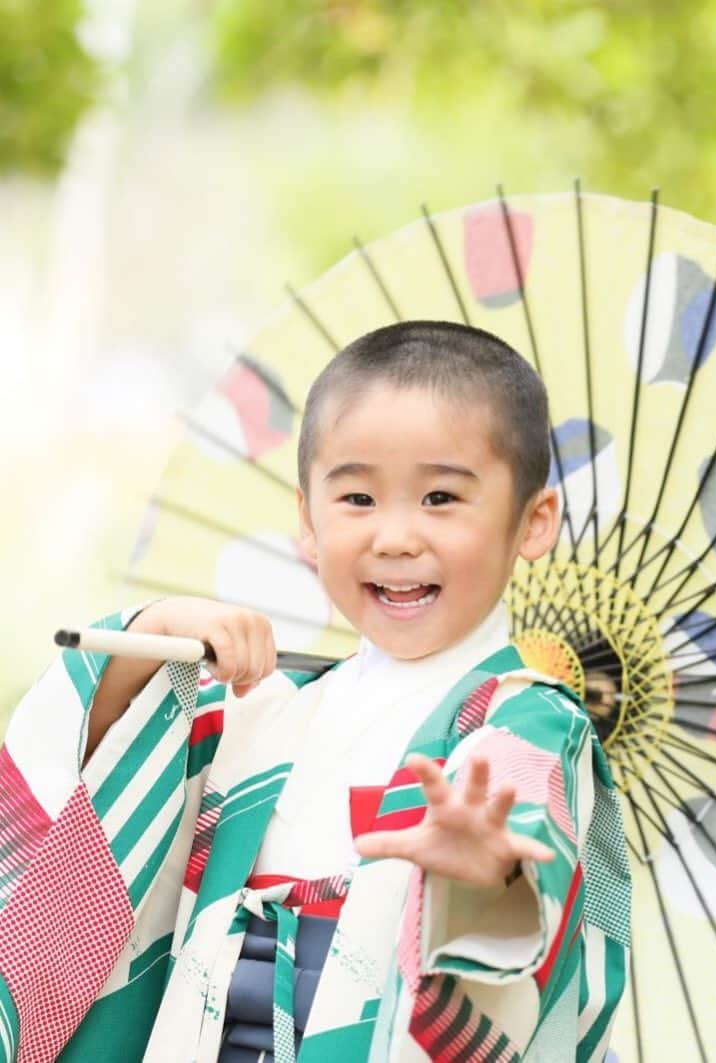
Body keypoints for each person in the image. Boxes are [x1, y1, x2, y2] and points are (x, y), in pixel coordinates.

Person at [0, 321, 631, 1062]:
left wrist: (483, 871)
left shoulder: (526, 716)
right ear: (306, 519)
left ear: (533, 521)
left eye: (438, 497)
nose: (395, 536)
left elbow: (528, 840)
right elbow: (96, 763)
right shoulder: (271, 703)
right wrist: (162, 630)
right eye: (358, 497)